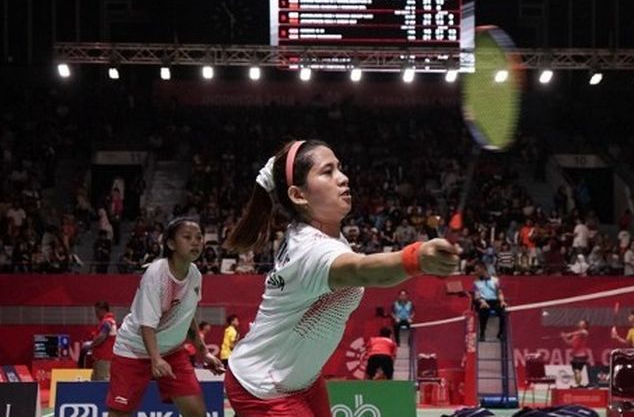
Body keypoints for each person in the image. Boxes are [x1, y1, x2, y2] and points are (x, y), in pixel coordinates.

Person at [224, 140, 459, 416]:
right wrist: (416, 258)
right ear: (299, 195)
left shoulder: (319, 232)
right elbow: (361, 270)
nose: (343, 177)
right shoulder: (311, 251)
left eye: (340, 168)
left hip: (301, 380)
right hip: (264, 386)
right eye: (328, 171)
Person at [105, 218, 224, 417]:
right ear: (170, 244)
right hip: (133, 350)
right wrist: (155, 359)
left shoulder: (195, 275)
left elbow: (187, 316)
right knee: (120, 413)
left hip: (172, 351)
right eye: (187, 237)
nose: (195, 242)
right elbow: (147, 325)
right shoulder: (157, 275)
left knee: (197, 413)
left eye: (199, 237)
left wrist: (204, 352)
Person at [473, 262, 508, 342]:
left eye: (477, 270)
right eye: (475, 270)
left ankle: (500, 333)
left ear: (483, 270)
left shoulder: (495, 280)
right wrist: (482, 302)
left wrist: (502, 301)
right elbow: (477, 295)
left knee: (503, 312)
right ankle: (482, 334)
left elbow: (499, 292)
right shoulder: (476, 283)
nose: (475, 272)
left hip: (494, 301)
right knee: (483, 311)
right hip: (483, 301)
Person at [84, 301, 117, 381]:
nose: (96, 315)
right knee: (94, 381)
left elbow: (102, 336)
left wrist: (91, 345)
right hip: (101, 359)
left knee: (102, 383)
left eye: (97, 312)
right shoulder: (111, 321)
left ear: (103, 310)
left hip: (104, 360)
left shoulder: (107, 322)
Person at [560, 320, 590, 388]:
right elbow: (570, 343)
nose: (581, 323)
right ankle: (578, 385)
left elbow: (583, 332)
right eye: (580, 322)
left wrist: (570, 334)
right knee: (575, 371)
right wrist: (564, 337)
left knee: (577, 370)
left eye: (583, 323)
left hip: (582, 355)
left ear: (585, 325)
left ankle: (579, 385)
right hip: (574, 355)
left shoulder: (584, 332)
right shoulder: (576, 335)